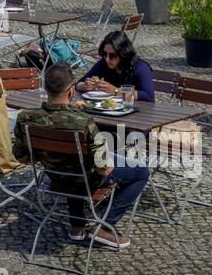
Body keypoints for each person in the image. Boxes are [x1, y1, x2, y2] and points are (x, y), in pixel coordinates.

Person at [13, 62, 147, 250]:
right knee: (141, 172)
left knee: (73, 162)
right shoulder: (84, 122)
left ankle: (77, 227)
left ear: (45, 88)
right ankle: (104, 226)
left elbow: (21, 157)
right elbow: (103, 166)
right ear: (70, 92)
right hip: (85, 181)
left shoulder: (25, 118)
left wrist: (44, 154)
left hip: (54, 177)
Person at [75, 31, 155, 103]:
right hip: (111, 109)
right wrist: (86, 85)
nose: (107, 59)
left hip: (137, 110)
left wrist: (116, 91)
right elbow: (78, 84)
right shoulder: (103, 63)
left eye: (112, 55)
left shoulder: (140, 67)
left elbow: (148, 95)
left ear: (123, 53)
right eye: (105, 54)